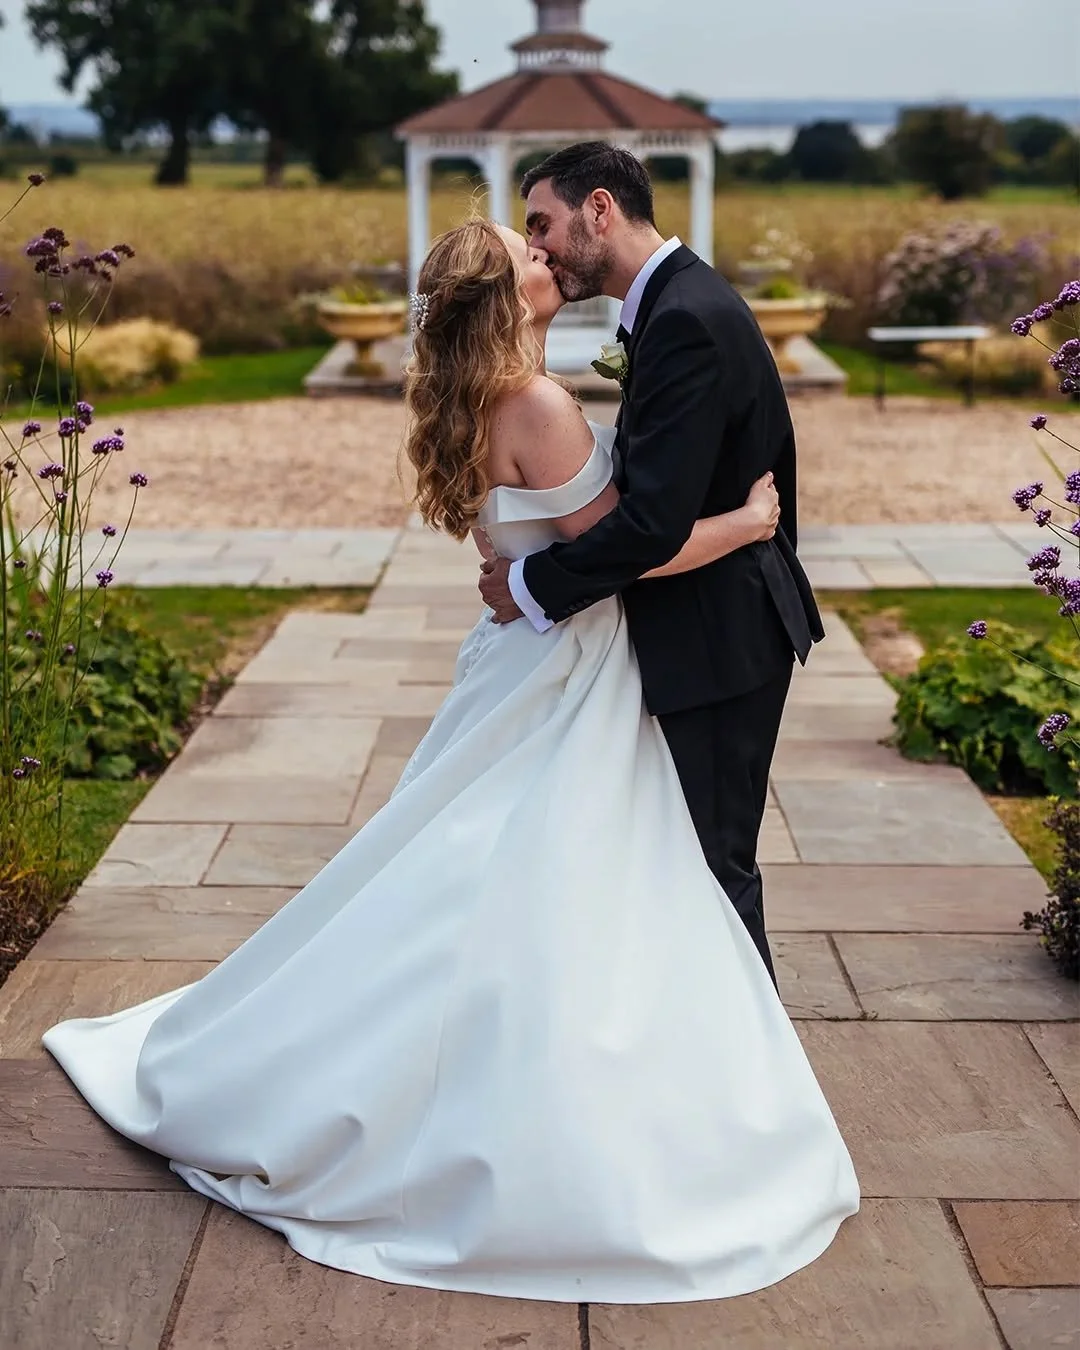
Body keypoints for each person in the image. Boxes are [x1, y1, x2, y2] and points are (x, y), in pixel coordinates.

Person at [42, 216, 858, 1306]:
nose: (546, 255)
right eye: (527, 251)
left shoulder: (461, 403)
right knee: (551, 876)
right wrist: (752, 523)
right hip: (570, 672)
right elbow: (635, 552)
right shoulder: (538, 405)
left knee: (464, 858)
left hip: (513, 657)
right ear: (504, 295)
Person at [480, 142, 824, 984]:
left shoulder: (685, 320)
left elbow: (650, 527)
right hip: (705, 625)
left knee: (714, 866)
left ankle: (755, 1083)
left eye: (543, 223)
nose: (542, 246)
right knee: (687, 860)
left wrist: (527, 585)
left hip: (723, 636)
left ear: (600, 207)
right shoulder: (674, 304)